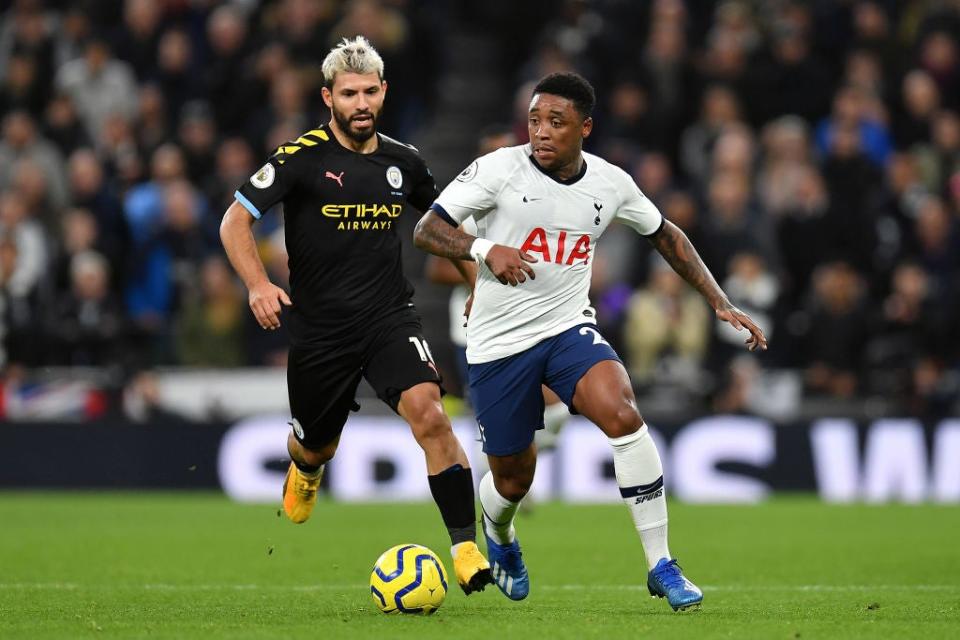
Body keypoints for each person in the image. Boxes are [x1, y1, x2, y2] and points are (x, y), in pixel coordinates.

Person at [413, 71, 767, 611]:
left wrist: (718, 300)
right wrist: (486, 250)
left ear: (585, 127)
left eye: (556, 121)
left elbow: (666, 235)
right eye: (535, 119)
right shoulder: (497, 170)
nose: (542, 131)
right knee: (512, 477)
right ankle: (501, 535)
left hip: (566, 328)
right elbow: (428, 229)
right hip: (499, 343)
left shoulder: (610, 183)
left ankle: (661, 564)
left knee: (622, 411)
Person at [219, 36, 492, 595]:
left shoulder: (404, 162)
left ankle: (465, 547)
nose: (361, 102)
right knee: (316, 444)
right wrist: (257, 285)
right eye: (349, 93)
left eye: (370, 91)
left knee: (432, 416)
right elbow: (233, 222)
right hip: (320, 331)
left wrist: (475, 285)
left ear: (384, 91)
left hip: (389, 318)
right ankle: (308, 467)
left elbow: (447, 231)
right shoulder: (300, 159)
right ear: (328, 97)